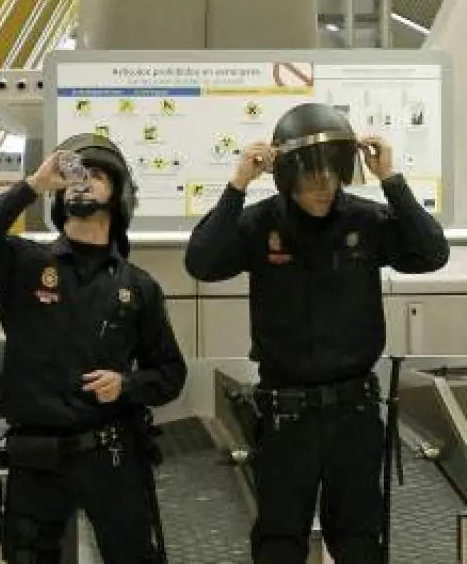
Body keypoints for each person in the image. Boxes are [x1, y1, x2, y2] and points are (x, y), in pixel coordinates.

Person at [185, 103, 449, 563]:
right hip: (285, 416)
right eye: (310, 173)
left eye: (332, 171)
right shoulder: (260, 224)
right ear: (287, 175)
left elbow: (431, 253)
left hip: (354, 412)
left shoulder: (366, 220)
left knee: (359, 541)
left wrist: (390, 179)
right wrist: (238, 184)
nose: (323, 184)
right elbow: (202, 262)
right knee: (279, 541)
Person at [0, 133, 186, 564]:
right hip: (36, 457)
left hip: (111, 454)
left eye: (97, 175)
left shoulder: (137, 287)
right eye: (77, 174)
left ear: (118, 196)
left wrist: (127, 385)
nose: (83, 181)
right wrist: (34, 184)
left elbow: (171, 374)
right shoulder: (24, 266)